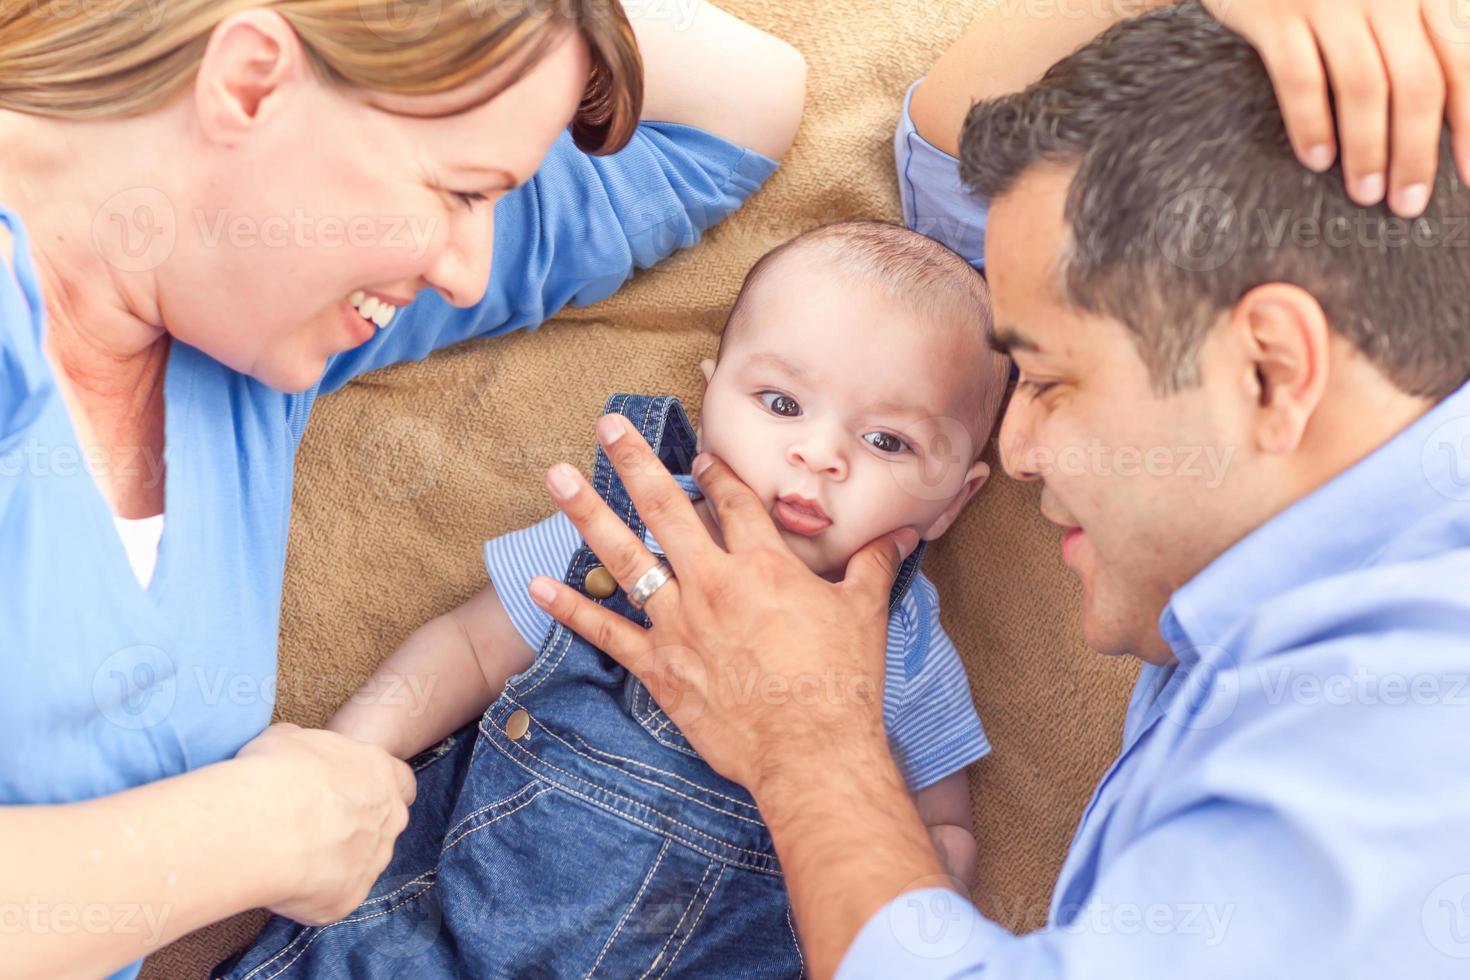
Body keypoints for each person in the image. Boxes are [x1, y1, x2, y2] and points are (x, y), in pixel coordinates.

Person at [523, 2, 1470, 977]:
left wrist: (806, 742)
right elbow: (954, 170)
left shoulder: (1410, 715)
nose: (1013, 451)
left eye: (1051, 382)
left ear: (1271, 370)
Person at [0, 1, 806, 976]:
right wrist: (255, 832)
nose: (468, 272)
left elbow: (737, 108)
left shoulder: (251, 333)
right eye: (461, 190)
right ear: (251, 83)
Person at [216, 220, 1010, 977]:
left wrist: (936, 882)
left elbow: (937, 819)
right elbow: (469, 647)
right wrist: (352, 750)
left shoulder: (900, 638)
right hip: (444, 925)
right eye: (780, 403)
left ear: (953, 499)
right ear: (709, 402)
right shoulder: (621, 535)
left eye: (887, 442)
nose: (818, 453)